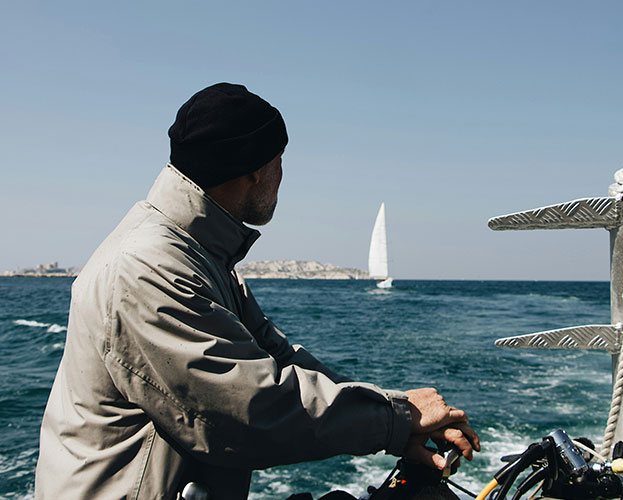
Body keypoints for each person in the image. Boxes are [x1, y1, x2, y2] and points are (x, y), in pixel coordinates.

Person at [35, 83, 480, 500]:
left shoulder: (200, 257)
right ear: (254, 169)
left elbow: (281, 360)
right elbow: (248, 412)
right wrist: (397, 418)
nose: (283, 176)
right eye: (280, 161)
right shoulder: (148, 268)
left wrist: (403, 419)